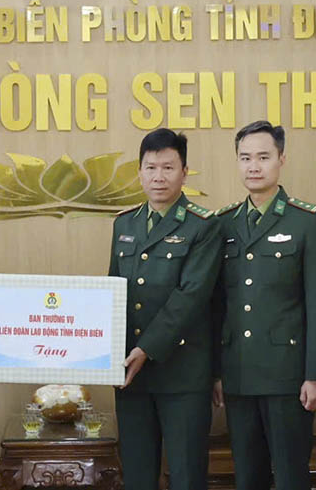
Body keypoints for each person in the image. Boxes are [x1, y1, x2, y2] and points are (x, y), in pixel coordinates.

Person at [211, 120, 316, 490]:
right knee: (247, 475)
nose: (253, 166)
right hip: (239, 373)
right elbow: (219, 305)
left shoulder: (308, 221)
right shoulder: (224, 223)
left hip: (289, 376)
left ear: (282, 158)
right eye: (245, 158)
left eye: (263, 157)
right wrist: (217, 371)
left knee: (290, 475)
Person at [108, 128, 221, 490]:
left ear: (184, 172)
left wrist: (146, 348)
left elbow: (191, 296)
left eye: (168, 167)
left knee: (186, 475)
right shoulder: (124, 223)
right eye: (151, 167)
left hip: (183, 374)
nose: (158, 176)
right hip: (130, 374)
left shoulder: (204, 226)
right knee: (138, 475)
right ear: (139, 171)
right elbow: (113, 293)